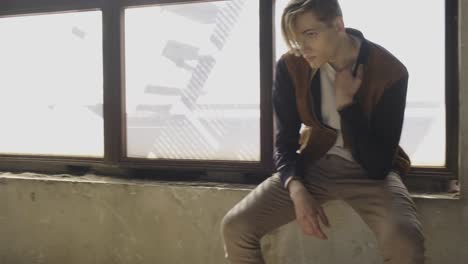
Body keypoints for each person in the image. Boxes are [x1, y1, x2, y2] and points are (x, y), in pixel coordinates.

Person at [220, 0, 426, 263]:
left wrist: (346, 105)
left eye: (310, 35)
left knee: (405, 241)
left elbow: (378, 166)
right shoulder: (292, 66)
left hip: (370, 171)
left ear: (338, 25)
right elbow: (284, 142)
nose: (302, 48)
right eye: (297, 39)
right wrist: (297, 190)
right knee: (236, 226)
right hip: (314, 163)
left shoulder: (390, 71)